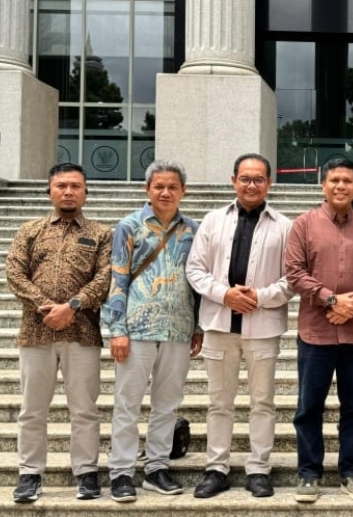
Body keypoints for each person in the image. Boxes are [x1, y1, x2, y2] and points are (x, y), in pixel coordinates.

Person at [185, 153, 294, 498]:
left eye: (259, 179)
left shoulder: (284, 226)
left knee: (263, 402)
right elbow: (195, 269)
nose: (251, 185)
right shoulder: (213, 220)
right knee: (220, 402)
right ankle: (216, 468)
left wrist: (259, 297)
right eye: (245, 178)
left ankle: (259, 468)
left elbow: (292, 278)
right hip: (219, 324)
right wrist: (225, 295)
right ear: (233, 181)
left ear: (269, 183)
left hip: (263, 327)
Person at [6, 163, 112, 503]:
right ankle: (29, 474)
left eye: (75, 186)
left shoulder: (101, 234)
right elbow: (14, 273)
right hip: (35, 332)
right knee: (32, 409)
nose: (68, 191)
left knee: (84, 408)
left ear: (85, 192)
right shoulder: (29, 230)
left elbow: (105, 277)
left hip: (82, 333)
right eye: (62, 185)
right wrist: (46, 306)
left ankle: (86, 473)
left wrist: (73, 306)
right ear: (49, 191)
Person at [285, 158, 353, 503]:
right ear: (323, 185)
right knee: (309, 406)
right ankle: (309, 473)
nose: (341, 186)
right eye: (334, 180)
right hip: (316, 332)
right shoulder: (303, 224)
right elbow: (294, 272)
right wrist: (331, 300)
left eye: (347, 181)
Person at [103, 160, 202, 502]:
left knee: (168, 404)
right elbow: (117, 278)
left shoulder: (194, 229)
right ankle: (121, 472)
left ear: (183, 190)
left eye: (173, 186)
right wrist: (117, 329)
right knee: (127, 403)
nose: (165, 192)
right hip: (136, 328)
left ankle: (157, 467)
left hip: (178, 328)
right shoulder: (129, 226)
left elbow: (197, 283)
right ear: (147, 189)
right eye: (159, 186)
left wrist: (198, 326)